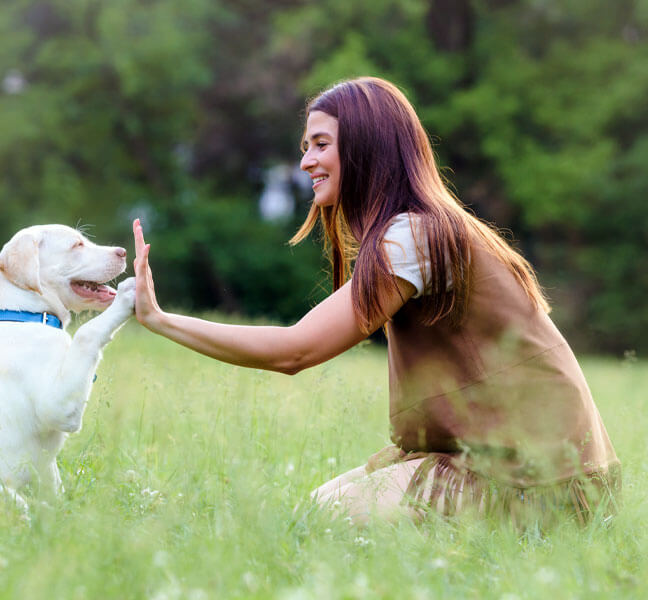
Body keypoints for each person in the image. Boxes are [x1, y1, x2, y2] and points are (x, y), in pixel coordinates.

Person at [131, 76, 620, 526]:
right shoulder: (419, 229)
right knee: (316, 512)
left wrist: (161, 320)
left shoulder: (418, 237)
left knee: (325, 523)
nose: (306, 162)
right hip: (522, 467)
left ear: (367, 146)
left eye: (321, 145)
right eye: (305, 147)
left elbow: (295, 350)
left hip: (540, 483)